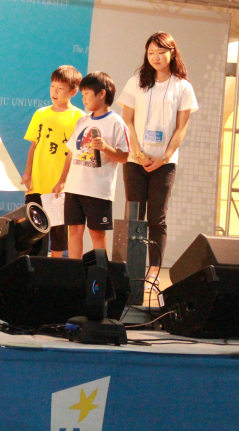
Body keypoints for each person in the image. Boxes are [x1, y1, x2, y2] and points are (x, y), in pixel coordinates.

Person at [117, 32, 198, 288]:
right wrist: (139, 154)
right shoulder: (136, 82)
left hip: (164, 163)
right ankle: (130, 268)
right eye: (151, 53)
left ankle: (153, 270)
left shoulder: (182, 87)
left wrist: (164, 158)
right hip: (135, 161)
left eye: (161, 52)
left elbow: (181, 128)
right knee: (133, 216)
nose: (156, 57)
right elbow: (127, 121)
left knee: (157, 219)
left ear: (172, 53)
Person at [53, 72, 130, 259]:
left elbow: (124, 157)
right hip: (74, 188)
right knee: (74, 231)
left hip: (97, 190)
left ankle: (100, 271)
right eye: (82, 94)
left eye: (86, 93)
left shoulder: (117, 123)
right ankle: (74, 271)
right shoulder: (82, 121)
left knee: (97, 233)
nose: (83, 98)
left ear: (102, 93)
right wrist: (62, 181)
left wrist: (105, 148)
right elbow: (71, 152)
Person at [21, 65, 84, 257]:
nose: (54, 92)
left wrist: (63, 180)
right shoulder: (40, 113)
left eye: (60, 88)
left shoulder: (78, 117)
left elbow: (74, 153)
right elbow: (33, 146)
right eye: (52, 87)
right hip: (37, 182)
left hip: (59, 185)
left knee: (57, 230)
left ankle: (55, 265)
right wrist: (27, 173)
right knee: (33, 229)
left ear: (73, 91)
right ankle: (32, 266)